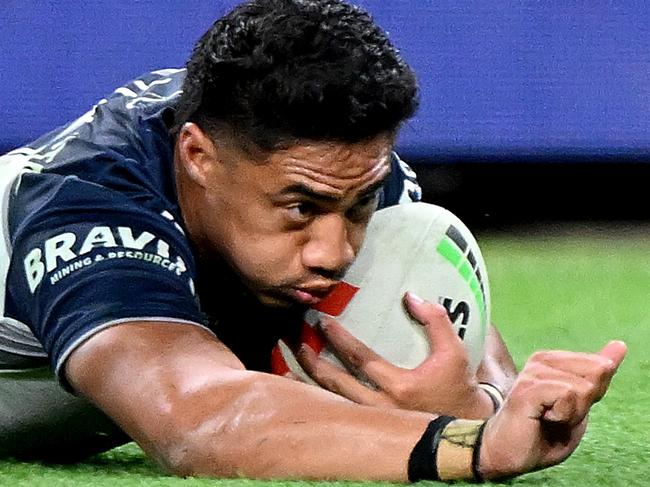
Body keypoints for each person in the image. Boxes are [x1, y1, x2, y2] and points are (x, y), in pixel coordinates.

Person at [0, 0, 625, 482]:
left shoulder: (326, 164)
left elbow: (451, 322)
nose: (336, 251)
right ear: (197, 156)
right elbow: (194, 421)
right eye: (300, 208)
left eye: (358, 206)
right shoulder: (90, 209)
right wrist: (467, 446)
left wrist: (483, 397)